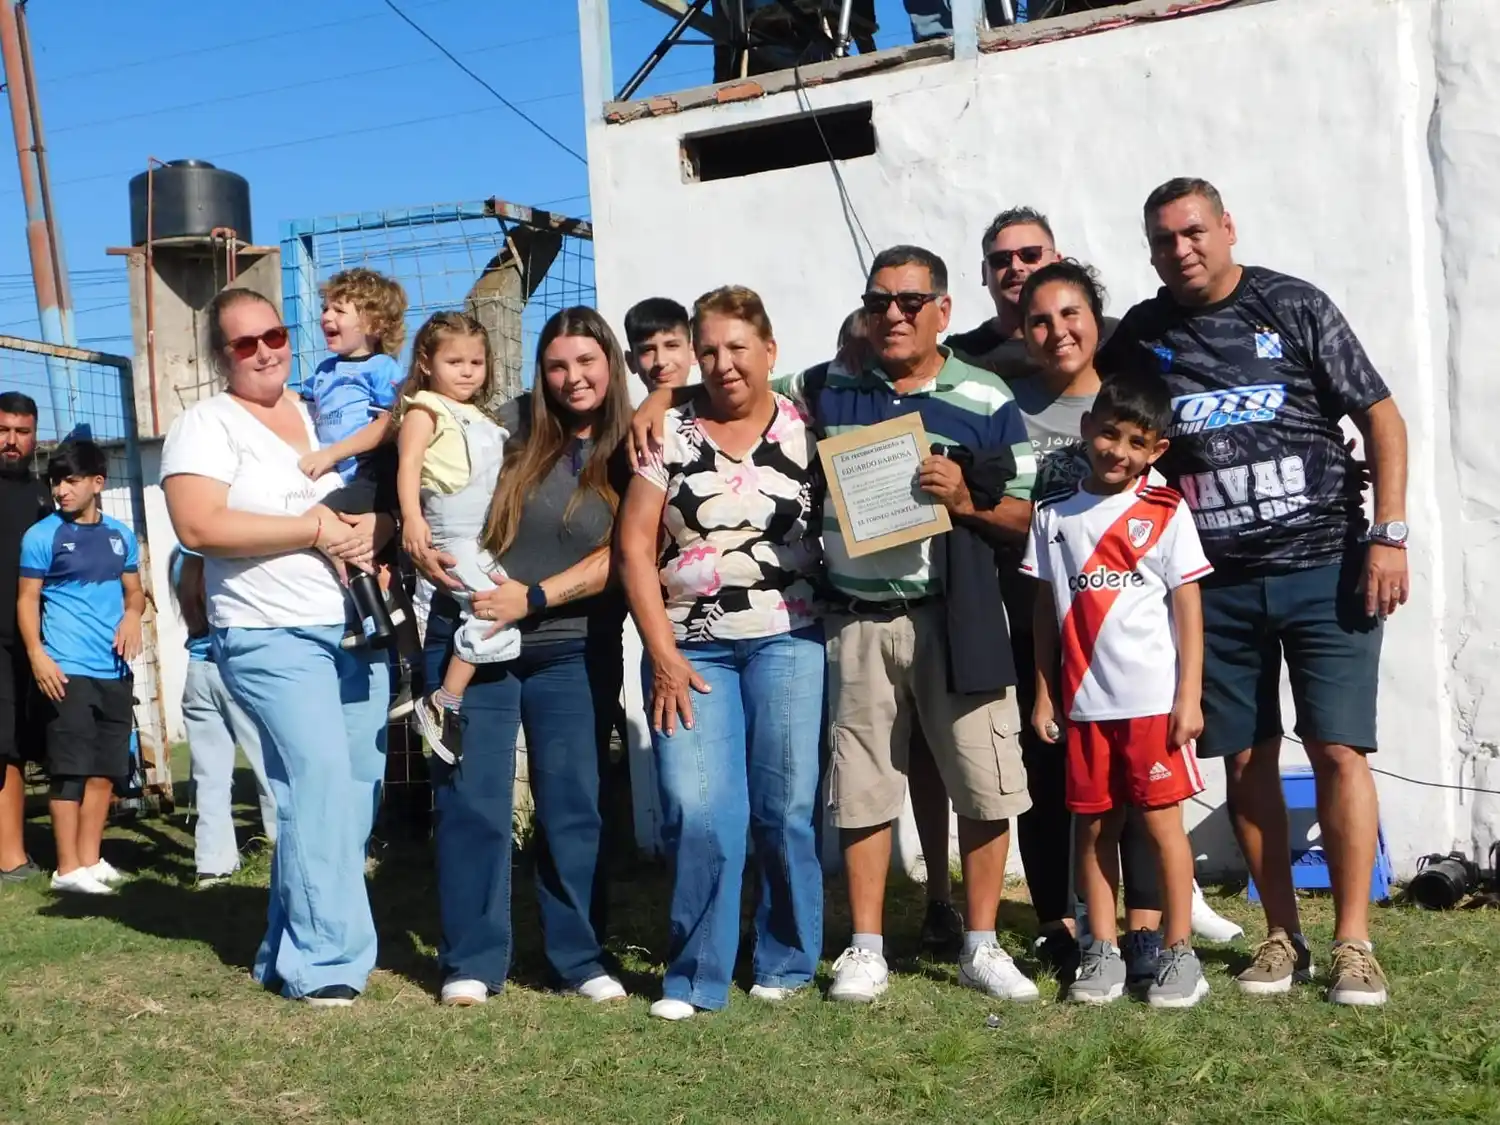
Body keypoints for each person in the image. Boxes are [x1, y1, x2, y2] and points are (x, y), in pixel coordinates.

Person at [632, 245, 1039, 1004]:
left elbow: (1025, 514)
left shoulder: (985, 394)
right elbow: (737, 386)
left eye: (911, 302)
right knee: (860, 790)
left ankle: (981, 945)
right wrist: (661, 396)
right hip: (853, 618)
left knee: (984, 782)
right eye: (880, 300)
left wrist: (964, 500)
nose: (893, 314)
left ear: (943, 311)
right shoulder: (826, 387)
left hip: (956, 613)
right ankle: (866, 946)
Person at [1099, 176, 1410, 1006]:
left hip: (1326, 566)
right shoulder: (1141, 334)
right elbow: (1101, 411)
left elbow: (1382, 416)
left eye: (1194, 231)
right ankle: (1283, 935)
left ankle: (1353, 942)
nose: (1181, 249)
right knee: (1246, 758)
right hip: (1217, 583)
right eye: (1163, 240)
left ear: (1227, 227)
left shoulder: (1294, 305)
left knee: (1341, 749)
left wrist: (1390, 533)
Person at [161, 287, 389, 1008]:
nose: (265, 350)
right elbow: (200, 527)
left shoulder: (323, 405)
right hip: (268, 631)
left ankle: (284, 947)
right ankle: (328, 963)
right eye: (245, 343)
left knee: (353, 795)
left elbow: (378, 470)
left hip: (355, 622)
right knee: (318, 783)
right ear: (220, 357)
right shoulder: (205, 424)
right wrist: (316, 530)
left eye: (275, 334)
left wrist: (377, 528)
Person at [409, 306, 632, 1008]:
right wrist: (398, 523)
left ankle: (579, 955)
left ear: (610, 364)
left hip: (570, 647)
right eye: (558, 364)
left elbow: (629, 552)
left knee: (573, 803)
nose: (573, 377)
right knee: (471, 801)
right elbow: (414, 449)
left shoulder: (634, 445)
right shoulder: (504, 425)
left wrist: (533, 598)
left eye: (587, 361)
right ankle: (470, 959)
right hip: (473, 638)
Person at [618, 286, 824, 1021]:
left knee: (786, 807)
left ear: (770, 350)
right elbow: (634, 548)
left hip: (790, 636)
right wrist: (662, 651)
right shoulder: (664, 434)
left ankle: (788, 957)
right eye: (708, 350)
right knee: (700, 808)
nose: (723, 363)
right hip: (692, 646)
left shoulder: (811, 424)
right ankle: (697, 974)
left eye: (738, 347)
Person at [1024, 373, 1215, 1008]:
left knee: (1163, 830)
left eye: (1137, 442)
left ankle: (1179, 952)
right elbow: (1046, 611)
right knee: (1094, 833)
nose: (1118, 451)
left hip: (1153, 709)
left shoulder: (1165, 511)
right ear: (1086, 429)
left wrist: (1189, 697)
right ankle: (1100, 951)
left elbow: (1188, 605)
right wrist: (1045, 694)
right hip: (1086, 708)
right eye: (1108, 433)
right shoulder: (1053, 517)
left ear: (1156, 450)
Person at [17, 439, 145, 895]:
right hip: (66, 669)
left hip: (113, 670)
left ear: (97, 482)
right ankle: (66, 869)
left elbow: (135, 592)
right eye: (56, 481)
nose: (61, 490)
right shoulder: (42, 536)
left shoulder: (120, 535)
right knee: (69, 771)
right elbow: (27, 600)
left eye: (71, 480)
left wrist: (133, 616)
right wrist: (37, 654)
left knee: (104, 770)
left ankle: (91, 860)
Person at [398, 312, 521, 764]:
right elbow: (409, 464)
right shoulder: (425, 409)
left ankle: (445, 698)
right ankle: (441, 700)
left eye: (476, 361)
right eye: (455, 361)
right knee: (491, 612)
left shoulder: (483, 418)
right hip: (452, 528)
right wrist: (412, 517)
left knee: (501, 608)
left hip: (484, 534)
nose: (467, 371)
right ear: (427, 363)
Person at [169, 546, 276, 885]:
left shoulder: (179, 559)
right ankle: (281, 849)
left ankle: (213, 865)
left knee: (209, 777)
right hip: (236, 669)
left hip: (197, 671)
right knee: (270, 767)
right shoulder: (229, 553)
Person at [0, 392, 51, 884]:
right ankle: (11, 858)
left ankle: (15, 851)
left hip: (34, 639)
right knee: (4, 745)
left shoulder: (44, 494)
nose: (12, 441)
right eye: (3, 430)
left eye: (22, 431)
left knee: (20, 741)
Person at [623, 298, 695, 394]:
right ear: (631, 362)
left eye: (672, 346)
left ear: (693, 352)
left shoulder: (718, 408)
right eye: (647, 350)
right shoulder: (628, 409)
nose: (661, 362)